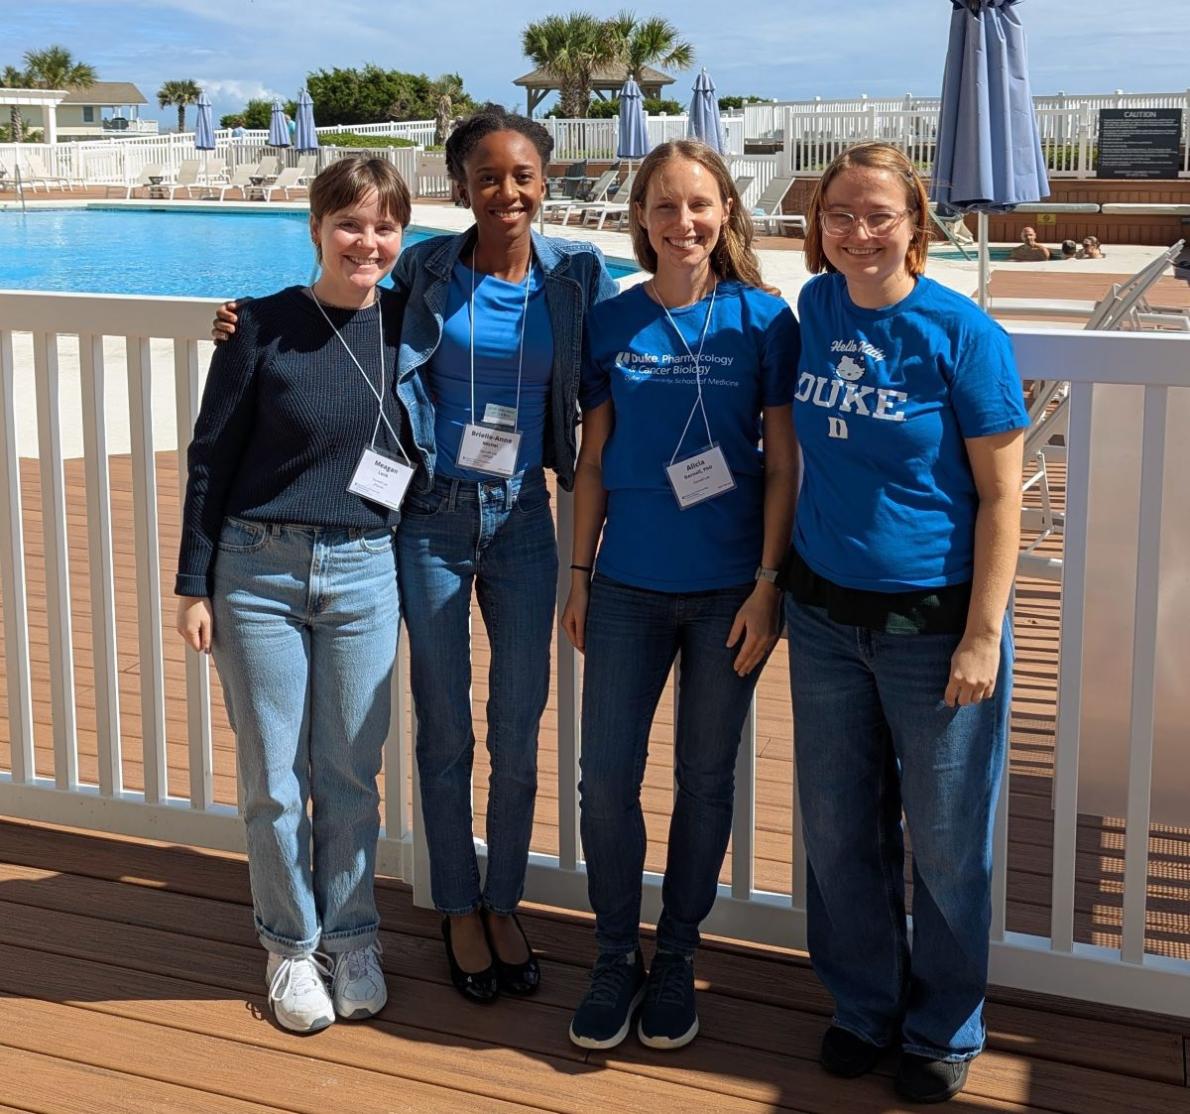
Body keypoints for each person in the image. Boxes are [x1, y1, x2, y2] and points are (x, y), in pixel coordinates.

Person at [783, 141, 1027, 1104]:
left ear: (916, 223)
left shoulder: (962, 334)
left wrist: (984, 633)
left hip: (935, 628)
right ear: (819, 226)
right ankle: (864, 1005)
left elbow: (1002, 498)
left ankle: (943, 1024)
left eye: (878, 214)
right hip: (823, 620)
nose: (858, 232)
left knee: (947, 842)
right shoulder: (815, 308)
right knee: (839, 832)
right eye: (839, 214)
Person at [177, 157, 430, 1034]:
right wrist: (193, 582)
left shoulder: (417, 327)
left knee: (351, 772)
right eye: (350, 223)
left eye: (385, 226)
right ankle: (290, 945)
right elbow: (210, 458)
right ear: (317, 228)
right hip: (257, 572)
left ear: (403, 236)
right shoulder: (260, 324)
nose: (368, 242)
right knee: (274, 779)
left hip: (365, 568)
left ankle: (353, 937)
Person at [561, 139, 800, 1052]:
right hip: (627, 585)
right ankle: (613, 952)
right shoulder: (613, 323)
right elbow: (591, 462)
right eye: (665, 205)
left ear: (726, 211)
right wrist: (579, 575)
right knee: (605, 780)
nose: (683, 222)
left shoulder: (763, 320)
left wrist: (769, 584)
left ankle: (677, 954)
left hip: (730, 593)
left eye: (700, 204)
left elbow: (783, 464)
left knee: (704, 778)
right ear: (641, 218)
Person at [390, 106, 618, 1003]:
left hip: (526, 513)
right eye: (487, 177)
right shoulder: (424, 268)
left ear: (544, 181)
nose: (507, 191)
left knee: (519, 724)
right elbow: (344, 314)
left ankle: (503, 899)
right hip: (433, 512)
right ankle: (457, 902)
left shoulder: (579, 274)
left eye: (522, 175)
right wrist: (250, 323)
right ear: (461, 188)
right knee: (445, 724)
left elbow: (634, 348)